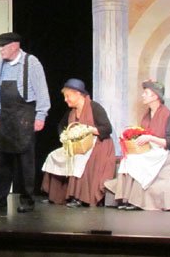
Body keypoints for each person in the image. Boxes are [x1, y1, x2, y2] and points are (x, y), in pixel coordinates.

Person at [0, 32, 50, 213]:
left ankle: (27, 200)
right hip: (6, 117)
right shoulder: (1, 65)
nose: (1, 50)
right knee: (2, 160)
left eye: (3, 46)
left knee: (25, 162)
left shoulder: (31, 63)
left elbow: (42, 91)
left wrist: (40, 116)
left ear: (14, 46)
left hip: (25, 116)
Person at [104, 80, 170, 211]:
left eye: (146, 93)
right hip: (149, 150)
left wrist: (150, 138)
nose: (143, 95)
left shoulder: (167, 115)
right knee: (128, 158)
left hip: (163, 151)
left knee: (137, 160)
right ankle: (125, 197)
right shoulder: (147, 114)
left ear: (155, 96)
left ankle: (135, 200)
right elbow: (142, 132)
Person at [40, 78, 115, 207]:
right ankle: (56, 196)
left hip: (99, 145)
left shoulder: (94, 107)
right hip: (79, 145)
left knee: (79, 158)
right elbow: (61, 126)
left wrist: (89, 129)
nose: (66, 99)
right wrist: (64, 137)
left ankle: (78, 197)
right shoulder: (71, 112)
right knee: (54, 155)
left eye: (68, 96)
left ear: (78, 93)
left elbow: (107, 129)